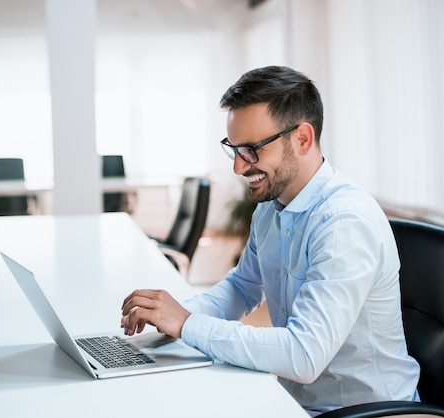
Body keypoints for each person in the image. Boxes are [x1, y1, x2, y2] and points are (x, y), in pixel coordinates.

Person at [120, 66, 420, 415]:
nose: (238, 167)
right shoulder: (272, 207)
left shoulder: (344, 224)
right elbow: (244, 286)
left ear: (303, 139)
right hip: (295, 399)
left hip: (361, 410)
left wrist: (187, 324)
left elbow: (303, 354)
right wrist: (174, 315)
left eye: (251, 150)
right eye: (233, 150)